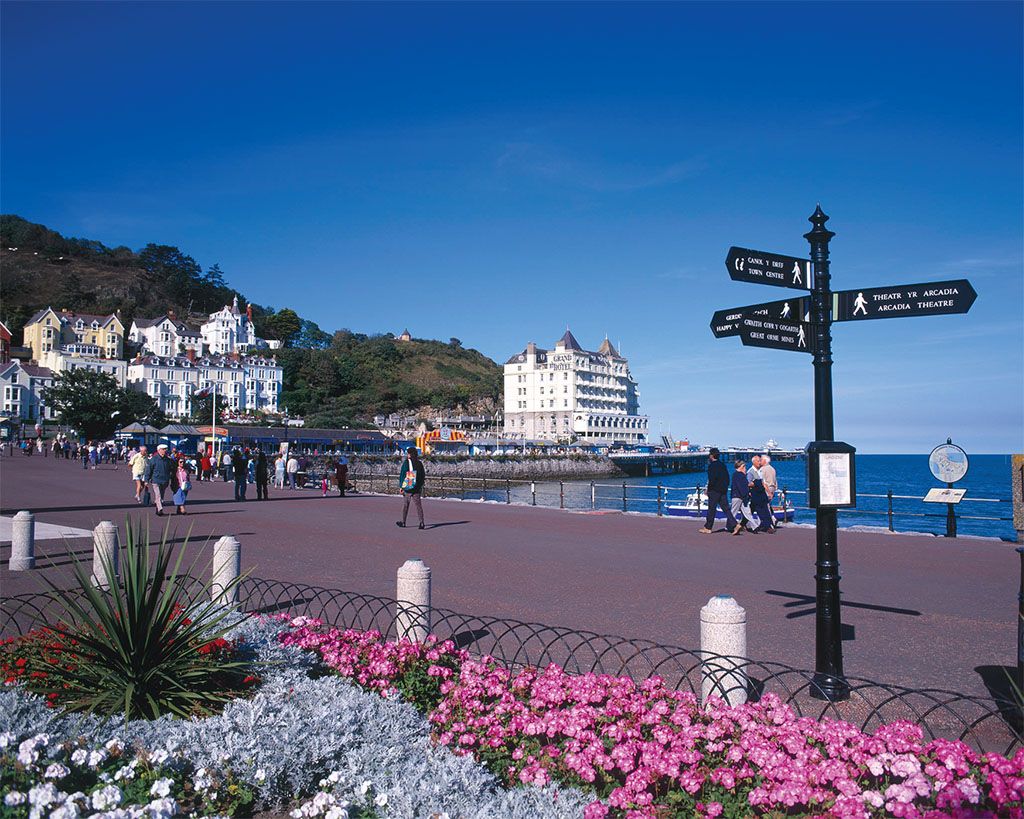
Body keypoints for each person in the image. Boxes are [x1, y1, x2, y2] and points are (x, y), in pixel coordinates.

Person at [698, 447, 740, 535]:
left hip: (714, 491)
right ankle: (735, 524)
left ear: (712, 456)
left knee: (711, 509)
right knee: (726, 509)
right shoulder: (722, 465)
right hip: (723, 490)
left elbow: (712, 479)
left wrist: (708, 489)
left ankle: (708, 527)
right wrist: (724, 487)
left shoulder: (711, 466)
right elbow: (727, 478)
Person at [396, 446, 426, 529]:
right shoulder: (419, 463)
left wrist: (401, 486)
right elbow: (422, 475)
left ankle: (403, 522)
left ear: (410, 454)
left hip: (408, 487)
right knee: (418, 506)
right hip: (416, 488)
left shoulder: (406, 462)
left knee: (406, 505)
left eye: (408, 453)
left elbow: (403, 474)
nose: (407, 455)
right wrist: (420, 485)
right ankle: (422, 522)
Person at [144, 443, 177, 517]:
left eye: (165, 449)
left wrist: (172, 476)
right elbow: (149, 470)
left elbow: (172, 469)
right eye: (163, 449)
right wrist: (146, 480)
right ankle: (160, 509)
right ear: (158, 450)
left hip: (165, 480)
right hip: (156, 480)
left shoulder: (168, 460)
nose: (165, 450)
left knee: (161, 496)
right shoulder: (153, 459)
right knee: (158, 495)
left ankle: (157, 508)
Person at [747, 455, 775, 534]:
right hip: (755, 494)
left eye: (760, 461)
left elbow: (764, 483)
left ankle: (742, 524)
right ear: (754, 462)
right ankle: (768, 527)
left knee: (759, 510)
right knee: (761, 511)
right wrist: (756, 483)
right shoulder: (750, 472)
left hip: (762, 493)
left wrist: (769, 493)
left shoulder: (760, 471)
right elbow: (748, 483)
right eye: (758, 461)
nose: (760, 462)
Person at [730, 459, 755, 534]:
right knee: (747, 513)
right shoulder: (741, 475)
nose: (745, 468)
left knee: (733, 512)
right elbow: (742, 487)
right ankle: (755, 526)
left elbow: (738, 486)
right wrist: (746, 494)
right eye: (744, 466)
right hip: (741, 496)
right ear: (742, 466)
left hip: (737, 496)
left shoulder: (735, 475)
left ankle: (731, 526)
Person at [760, 454, 778, 528]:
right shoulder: (772, 469)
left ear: (764, 461)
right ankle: (770, 520)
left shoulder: (763, 469)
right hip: (772, 488)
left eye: (761, 460)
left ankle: (770, 521)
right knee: (767, 505)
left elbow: (762, 481)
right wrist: (774, 490)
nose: (760, 461)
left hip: (766, 489)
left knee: (764, 506)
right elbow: (775, 481)